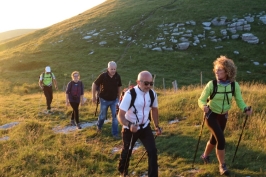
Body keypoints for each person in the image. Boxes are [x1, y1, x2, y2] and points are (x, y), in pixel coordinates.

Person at [198, 56, 252, 176]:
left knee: (214, 138)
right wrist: (203, 107)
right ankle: (222, 166)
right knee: (221, 139)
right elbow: (201, 100)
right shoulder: (211, 84)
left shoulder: (234, 85)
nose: (216, 72)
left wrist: (245, 108)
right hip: (211, 115)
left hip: (223, 116)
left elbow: (239, 101)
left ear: (227, 72)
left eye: (220, 70)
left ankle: (205, 156)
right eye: (216, 69)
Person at [117, 71, 162, 177]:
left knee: (152, 151)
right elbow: (120, 115)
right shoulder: (130, 94)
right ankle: (123, 172)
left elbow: (154, 110)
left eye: (151, 83)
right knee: (127, 151)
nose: (149, 86)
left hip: (145, 127)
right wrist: (129, 125)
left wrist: (156, 126)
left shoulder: (152, 94)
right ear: (138, 82)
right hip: (130, 128)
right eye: (146, 83)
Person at [92, 61, 122, 139]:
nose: (113, 71)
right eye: (111, 69)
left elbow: (119, 87)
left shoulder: (117, 76)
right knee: (102, 116)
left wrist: (119, 98)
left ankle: (115, 133)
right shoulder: (103, 76)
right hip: (104, 100)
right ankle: (99, 126)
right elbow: (94, 84)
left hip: (114, 100)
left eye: (114, 69)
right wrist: (93, 96)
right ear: (108, 68)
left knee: (115, 117)